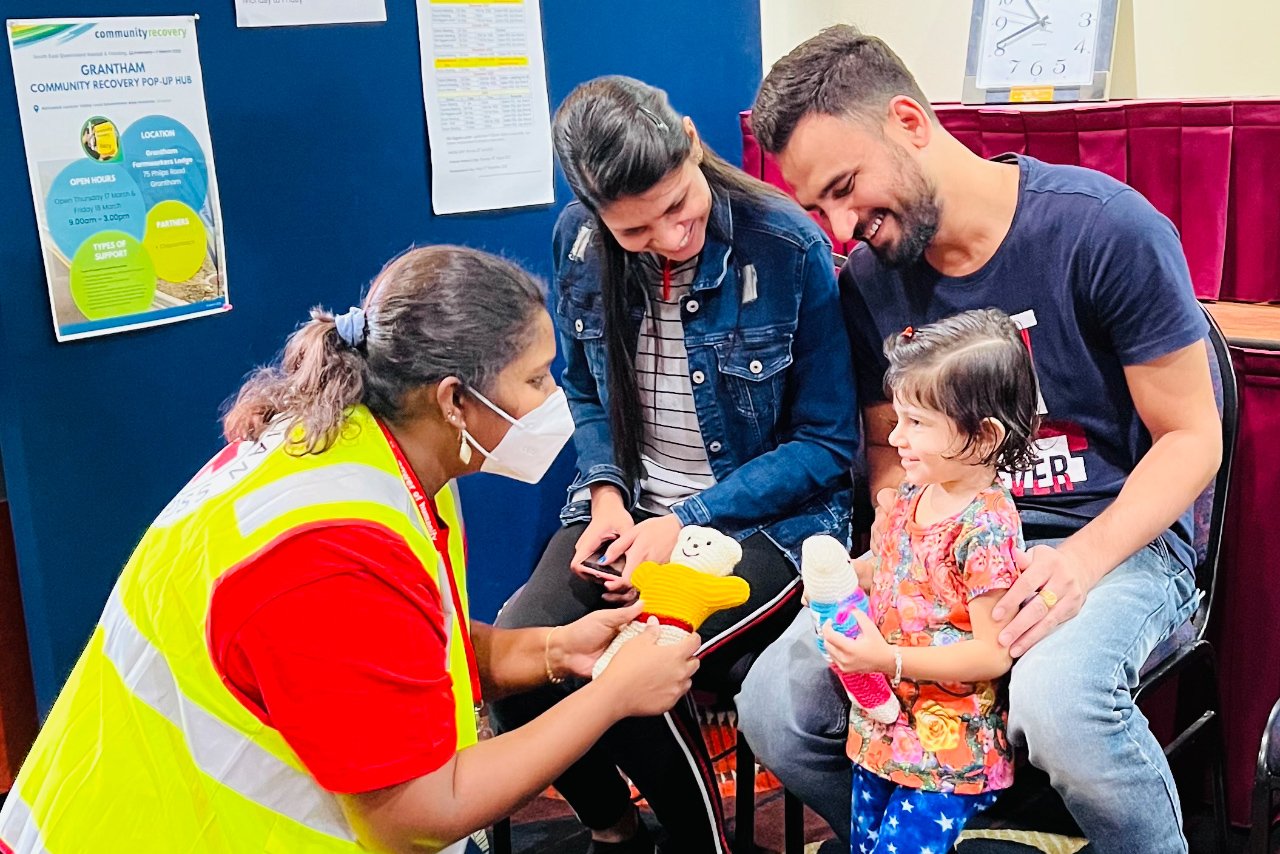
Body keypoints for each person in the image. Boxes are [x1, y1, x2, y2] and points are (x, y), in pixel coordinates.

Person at [0, 245, 702, 854]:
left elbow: (409, 667)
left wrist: (558, 650)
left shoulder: (385, 454)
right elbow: (418, 814)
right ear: (454, 399)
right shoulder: (330, 553)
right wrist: (610, 696)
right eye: (536, 379)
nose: (555, 399)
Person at [736, 26, 1221, 854]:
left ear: (909, 122)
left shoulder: (1105, 230)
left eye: (847, 187)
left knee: (1059, 703)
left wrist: (1079, 562)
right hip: (945, 548)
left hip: (1108, 541)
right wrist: (904, 537)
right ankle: (983, 836)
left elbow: (1191, 438)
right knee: (776, 708)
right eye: (820, 207)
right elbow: (889, 450)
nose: (844, 225)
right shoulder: (867, 284)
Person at [489, 76, 858, 854]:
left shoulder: (788, 245)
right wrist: (608, 496)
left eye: (677, 205)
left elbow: (828, 447)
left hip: (770, 520)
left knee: (638, 665)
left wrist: (681, 522)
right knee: (520, 659)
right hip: (631, 511)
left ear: (692, 141)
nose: (670, 237)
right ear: (597, 218)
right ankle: (615, 835)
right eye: (637, 229)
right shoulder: (577, 243)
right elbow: (583, 390)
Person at [822, 309, 1039, 854]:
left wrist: (886, 660)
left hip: (945, 749)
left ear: (983, 436)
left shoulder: (986, 528)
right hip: (884, 732)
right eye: (899, 419)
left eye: (917, 423)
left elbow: (992, 655)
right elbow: (891, 570)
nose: (895, 438)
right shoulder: (911, 497)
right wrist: (845, 577)